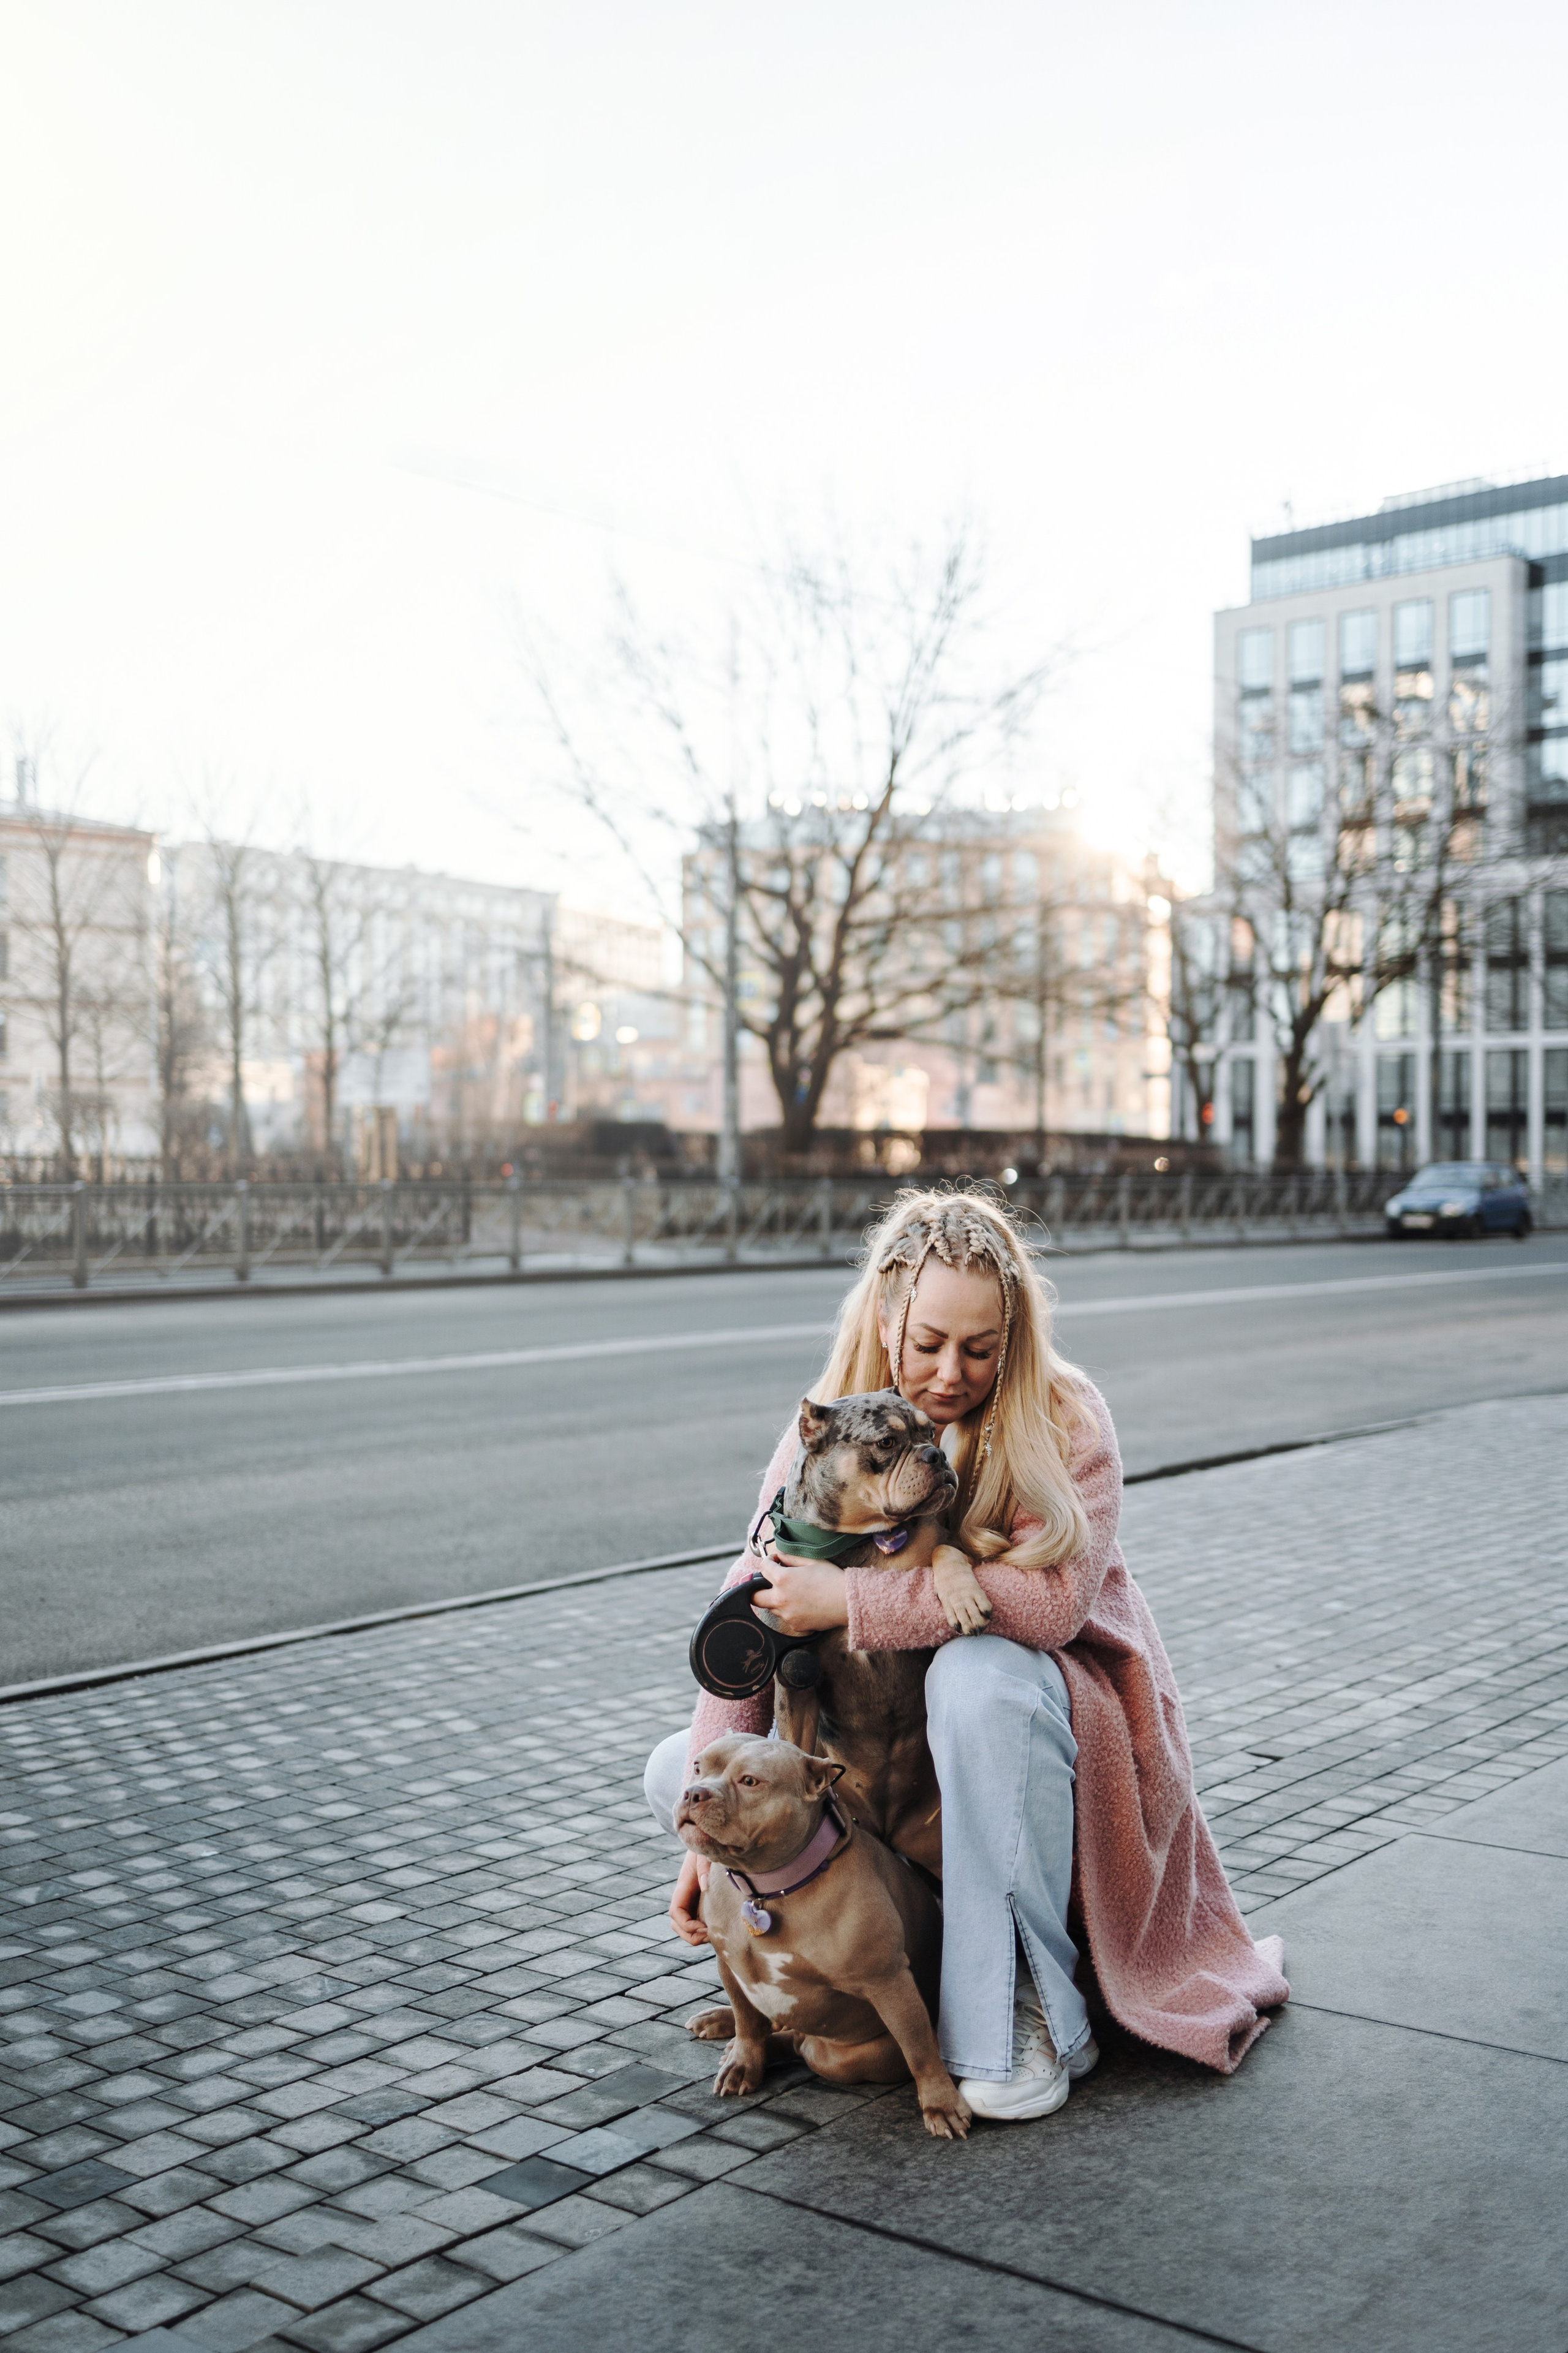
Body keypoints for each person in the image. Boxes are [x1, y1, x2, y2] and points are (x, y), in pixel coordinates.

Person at [644, 1188, 1287, 2120]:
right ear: (886, 1318)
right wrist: (706, 1850)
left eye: (980, 1349)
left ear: (1013, 1338)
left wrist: (853, 1599)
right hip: (873, 1770)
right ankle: (808, 1982)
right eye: (930, 1343)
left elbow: (1052, 1604)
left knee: (978, 1677)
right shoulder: (829, 1427)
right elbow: (750, 1613)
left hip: (1035, 1731)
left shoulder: (1064, 1418)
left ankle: (1025, 2001)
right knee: (680, 1768)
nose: (951, 1373)